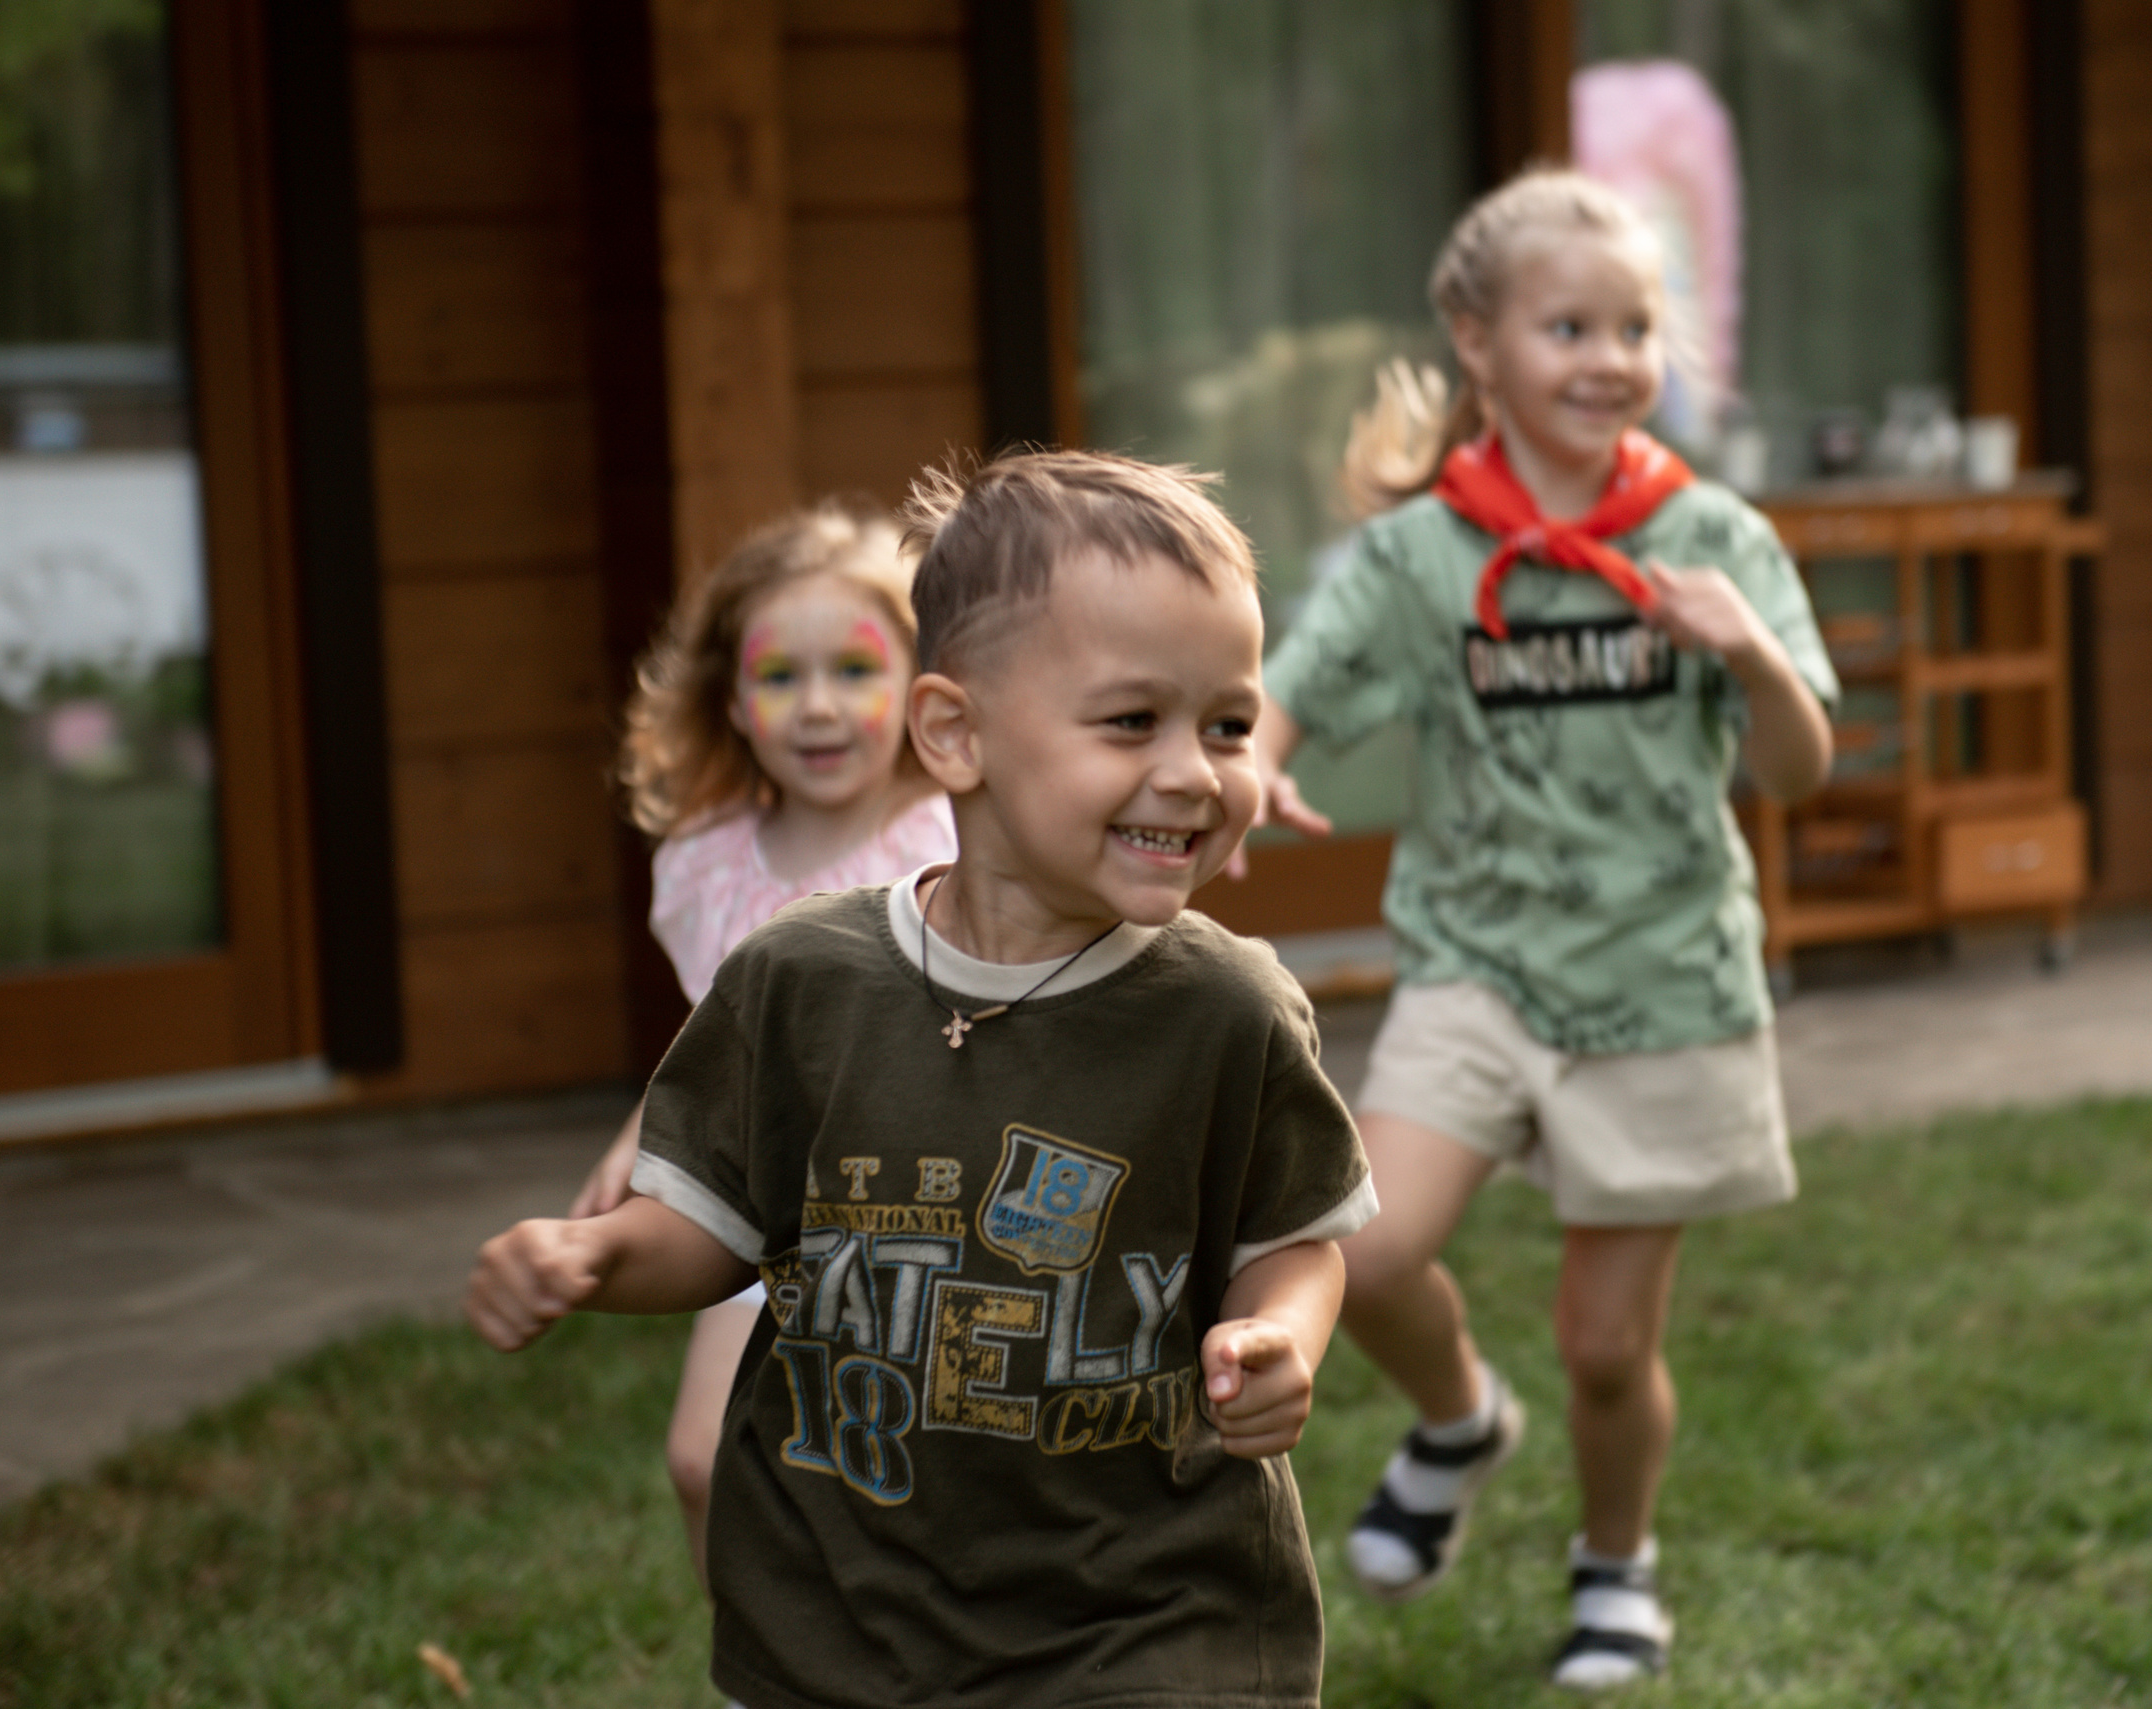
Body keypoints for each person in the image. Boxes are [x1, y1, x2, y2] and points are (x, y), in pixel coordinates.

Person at [468, 450, 1377, 1709]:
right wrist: (596, 1259)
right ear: (954, 731)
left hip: (1152, 1612)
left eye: (1227, 723)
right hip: (846, 1614)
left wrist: (1280, 1331)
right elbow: (714, 1229)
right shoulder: (801, 980)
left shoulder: (1225, 1009)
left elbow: (1294, 1235)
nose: (1195, 770)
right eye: (1132, 721)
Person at [1253, 166, 1838, 1690]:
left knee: (1603, 1344)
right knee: (1362, 1249)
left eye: (1635, 326)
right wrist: (1249, 765)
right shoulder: (1419, 554)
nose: (1608, 356)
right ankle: (1458, 1421)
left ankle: (1614, 1561)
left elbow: (1797, 769)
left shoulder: (1713, 533)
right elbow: (1289, 690)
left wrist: (1750, 654)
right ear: (1477, 340)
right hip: (1477, 970)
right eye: (1568, 324)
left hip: (1665, 984)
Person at [570, 499, 956, 1590]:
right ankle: (757, 1673)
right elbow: (720, 1032)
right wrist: (644, 1127)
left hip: (924, 1216)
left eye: (855, 669)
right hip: (768, 1216)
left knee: (906, 1487)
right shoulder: (707, 864)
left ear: (922, 685)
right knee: (705, 1459)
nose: (819, 706)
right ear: (732, 699)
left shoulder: (952, 836)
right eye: (781, 675)